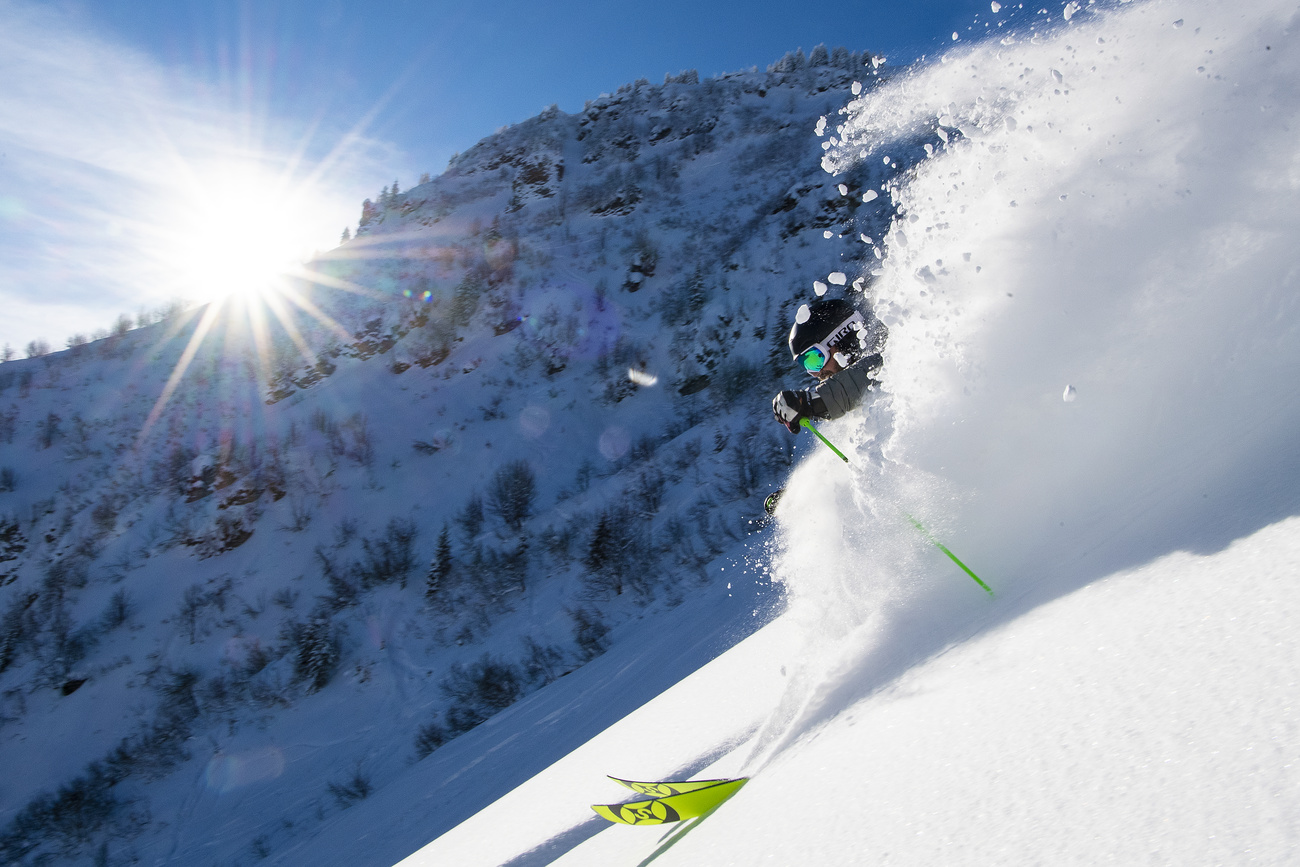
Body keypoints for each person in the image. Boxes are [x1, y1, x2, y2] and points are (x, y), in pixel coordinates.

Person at [771, 297, 886, 434]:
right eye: (806, 364)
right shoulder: (860, 404)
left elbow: (859, 380)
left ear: (843, 340)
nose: (814, 373)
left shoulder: (891, 357)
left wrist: (812, 404)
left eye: (815, 359)